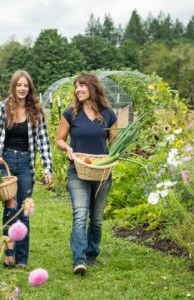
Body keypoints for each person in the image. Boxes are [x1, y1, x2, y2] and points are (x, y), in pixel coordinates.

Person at [56, 73, 118, 275]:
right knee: (80, 214)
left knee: (97, 218)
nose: (78, 90)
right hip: (78, 170)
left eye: (82, 85)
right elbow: (60, 139)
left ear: (93, 87)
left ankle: (92, 254)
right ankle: (79, 259)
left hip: (101, 171)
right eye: (76, 87)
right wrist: (68, 149)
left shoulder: (108, 114)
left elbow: (114, 143)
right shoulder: (70, 114)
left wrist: (117, 155)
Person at [0, 70, 53, 269]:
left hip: (26, 163)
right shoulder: (0, 109)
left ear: (30, 88)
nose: (22, 88)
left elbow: (43, 141)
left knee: (24, 210)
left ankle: (22, 259)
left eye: (26, 85)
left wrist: (47, 168)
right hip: (7, 162)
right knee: (10, 208)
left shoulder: (36, 110)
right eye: (19, 85)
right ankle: (9, 254)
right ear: (13, 86)